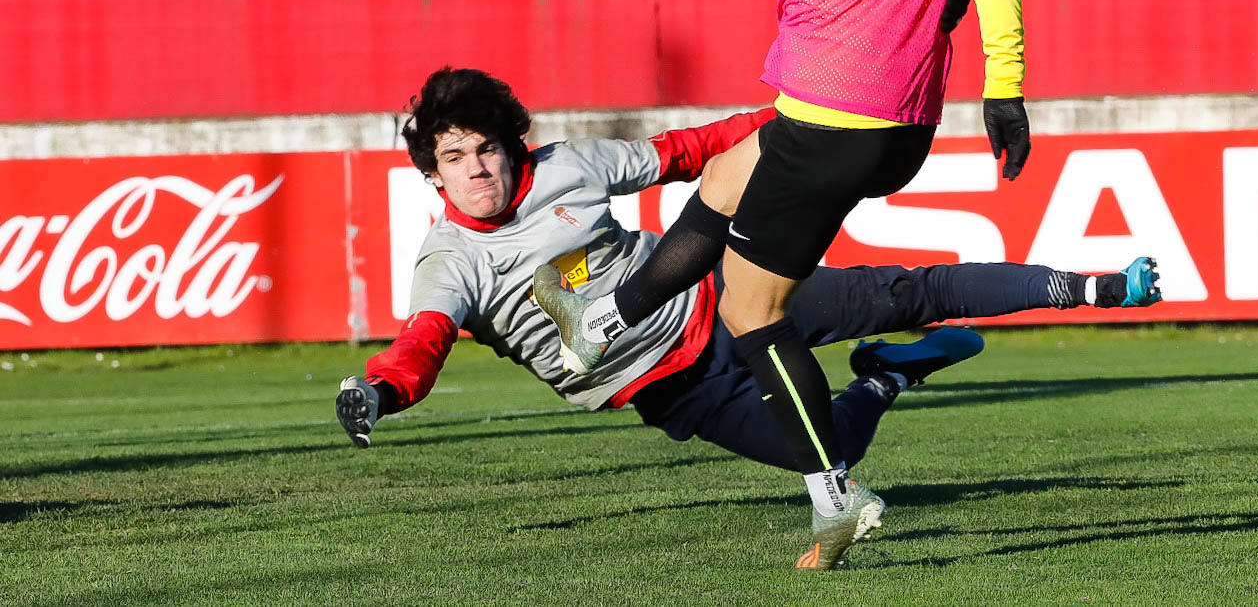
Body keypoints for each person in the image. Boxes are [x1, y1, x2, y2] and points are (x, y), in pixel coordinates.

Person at [533, 0, 1064, 570]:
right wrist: (1004, 90)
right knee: (727, 174)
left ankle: (833, 494)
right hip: (899, 122)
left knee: (753, 314)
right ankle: (606, 316)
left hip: (828, 113)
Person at [334, 66, 1163, 569]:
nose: (477, 169)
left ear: (513, 144)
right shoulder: (449, 260)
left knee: (906, 289)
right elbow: (421, 344)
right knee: (828, 451)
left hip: (724, 292)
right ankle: (888, 374)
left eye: (485, 148)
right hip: (669, 389)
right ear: (434, 176)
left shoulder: (570, 165)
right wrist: (380, 391)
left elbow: (691, 151)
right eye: (454, 158)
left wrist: (802, 116)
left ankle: (1096, 287)